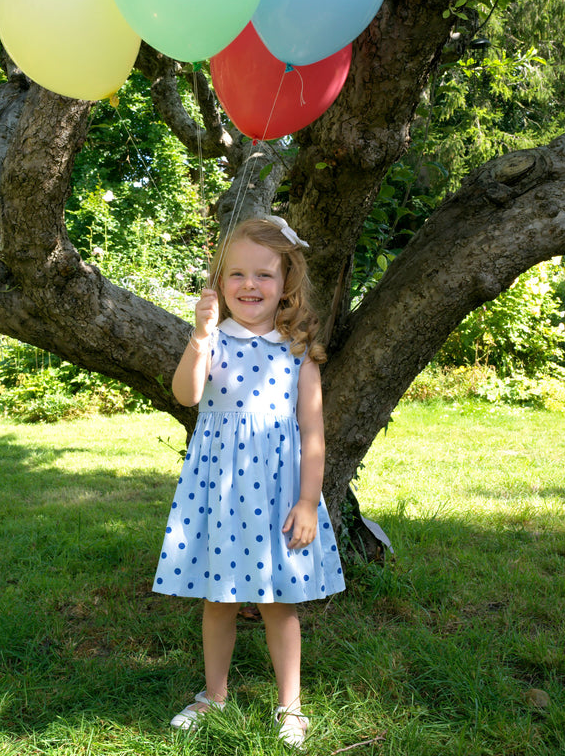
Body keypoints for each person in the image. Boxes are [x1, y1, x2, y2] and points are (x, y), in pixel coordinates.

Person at [153, 216, 345, 748]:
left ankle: (290, 707)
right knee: (218, 600)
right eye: (235, 274)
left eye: (263, 274)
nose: (249, 285)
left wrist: (309, 501)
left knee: (279, 603)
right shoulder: (213, 342)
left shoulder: (297, 351)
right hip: (219, 494)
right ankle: (213, 694)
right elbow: (187, 395)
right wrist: (198, 336)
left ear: (286, 283)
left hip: (279, 495)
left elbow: (313, 433)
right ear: (218, 282)